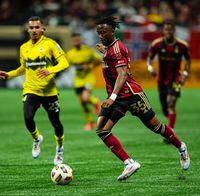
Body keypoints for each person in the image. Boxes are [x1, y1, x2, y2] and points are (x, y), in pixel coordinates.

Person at [95, 16, 190, 181]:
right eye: (98, 33)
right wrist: (105, 54)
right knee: (102, 129)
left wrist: (113, 96)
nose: (100, 36)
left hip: (131, 95)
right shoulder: (110, 49)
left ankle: (181, 146)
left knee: (156, 127)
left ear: (112, 31)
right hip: (117, 99)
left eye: (104, 32)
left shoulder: (116, 49)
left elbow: (123, 74)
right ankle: (129, 163)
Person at [0, 16, 69, 165]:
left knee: (56, 123)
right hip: (31, 90)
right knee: (28, 117)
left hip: (49, 92)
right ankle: (37, 138)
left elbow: (64, 63)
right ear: (27, 30)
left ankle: (60, 149)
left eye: (37, 27)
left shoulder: (51, 44)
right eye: (31, 28)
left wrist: (50, 70)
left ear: (43, 29)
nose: (34, 30)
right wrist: (9, 74)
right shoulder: (24, 48)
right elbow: (23, 69)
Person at [147, 21, 191, 134]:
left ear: (174, 31)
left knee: (171, 104)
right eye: (166, 30)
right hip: (162, 79)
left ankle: (170, 132)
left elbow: (187, 60)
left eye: (170, 30)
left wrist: (185, 74)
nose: (168, 32)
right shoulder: (157, 44)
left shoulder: (182, 45)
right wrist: (150, 68)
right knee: (165, 108)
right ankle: (170, 118)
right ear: (163, 31)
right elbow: (149, 58)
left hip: (176, 78)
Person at [66, 33, 102, 131]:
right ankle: (90, 123)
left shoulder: (88, 50)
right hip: (78, 80)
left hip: (88, 78)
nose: (76, 42)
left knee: (86, 98)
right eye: (74, 40)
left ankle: (96, 102)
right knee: (82, 102)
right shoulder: (70, 54)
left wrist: (90, 66)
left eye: (78, 40)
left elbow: (99, 60)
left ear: (81, 40)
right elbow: (65, 64)